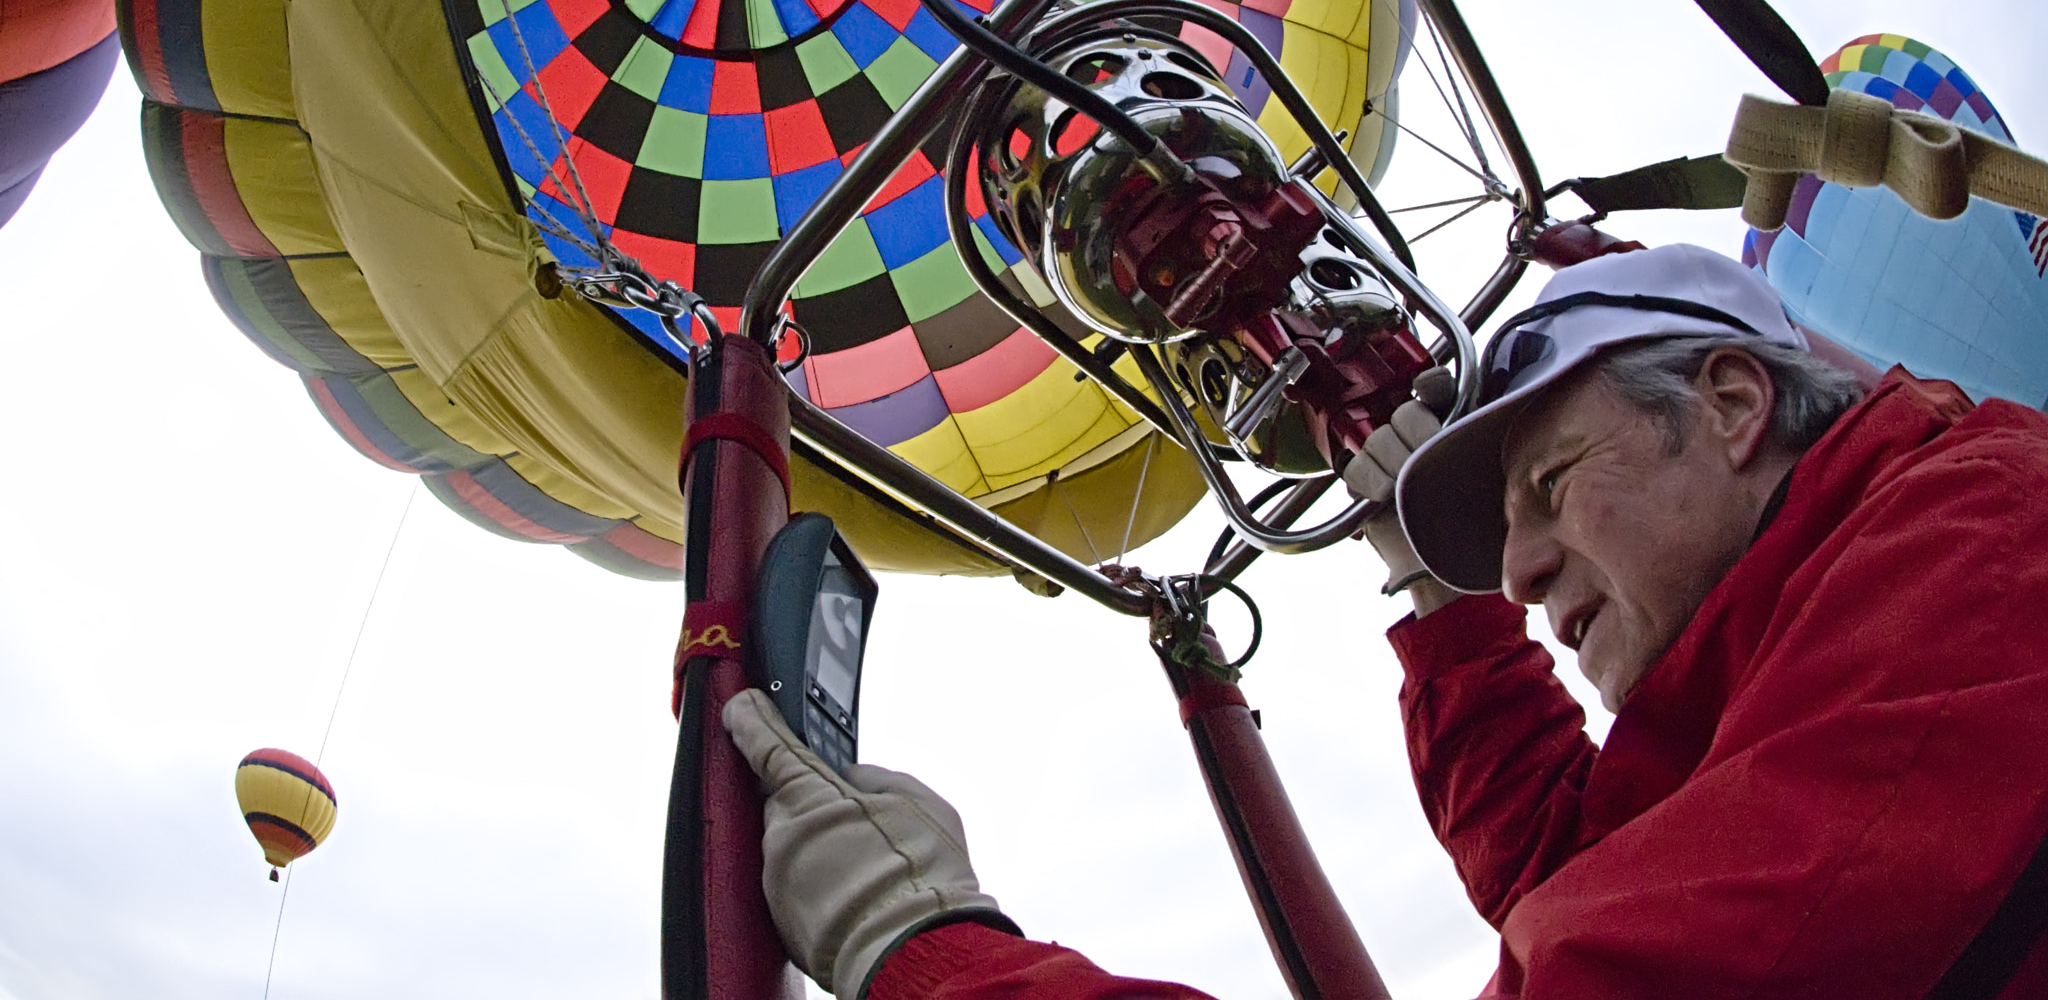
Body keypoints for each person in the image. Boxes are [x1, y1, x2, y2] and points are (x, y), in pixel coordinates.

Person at [723, 243, 2048, 998]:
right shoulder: (1810, 644)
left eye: (1548, 486)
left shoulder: (1977, 573)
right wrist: (1436, 597)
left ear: (1733, 402)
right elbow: (1583, 864)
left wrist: (928, 949)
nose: (1519, 573)